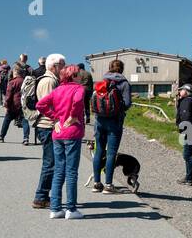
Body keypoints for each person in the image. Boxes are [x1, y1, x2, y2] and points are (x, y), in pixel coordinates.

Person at [35, 63, 88, 219]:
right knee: (71, 172)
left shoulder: (58, 89)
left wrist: (55, 118)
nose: (81, 76)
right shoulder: (78, 89)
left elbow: (40, 104)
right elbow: (78, 101)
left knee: (59, 171)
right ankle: (71, 209)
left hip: (57, 134)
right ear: (73, 76)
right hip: (72, 133)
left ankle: (56, 208)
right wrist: (73, 115)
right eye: (78, 74)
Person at [90, 58, 132, 192]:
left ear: (109, 67)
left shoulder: (102, 81)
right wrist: (118, 108)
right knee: (111, 153)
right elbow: (127, 103)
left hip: (99, 121)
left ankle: (97, 183)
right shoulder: (124, 83)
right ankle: (108, 185)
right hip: (115, 122)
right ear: (122, 69)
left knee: (99, 151)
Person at [29, 54, 66, 209]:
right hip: (47, 126)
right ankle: (41, 197)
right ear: (54, 66)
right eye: (62, 65)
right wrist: (58, 119)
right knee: (50, 163)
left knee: (51, 162)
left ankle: (43, 195)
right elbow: (47, 105)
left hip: (47, 125)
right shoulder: (49, 81)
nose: (64, 68)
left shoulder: (50, 79)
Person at [0, 62, 29, 144]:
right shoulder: (25, 81)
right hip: (23, 104)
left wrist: (6, 105)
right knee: (24, 121)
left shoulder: (12, 82)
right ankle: (26, 138)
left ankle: (1, 136)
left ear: (15, 73)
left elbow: (8, 95)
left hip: (13, 105)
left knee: (6, 120)